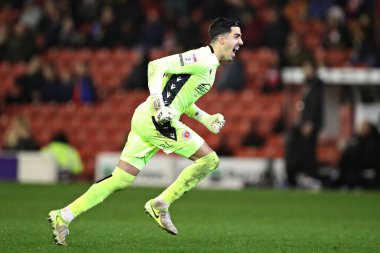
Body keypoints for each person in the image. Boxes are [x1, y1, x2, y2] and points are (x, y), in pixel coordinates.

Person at [48, 17, 243, 246]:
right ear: (222, 38)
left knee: (120, 178)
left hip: (147, 117)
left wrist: (205, 118)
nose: (241, 41)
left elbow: (182, 99)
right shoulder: (202, 58)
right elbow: (155, 66)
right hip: (156, 119)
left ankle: (63, 216)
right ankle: (161, 203)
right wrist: (160, 105)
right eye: (237, 36)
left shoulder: (210, 67)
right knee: (209, 160)